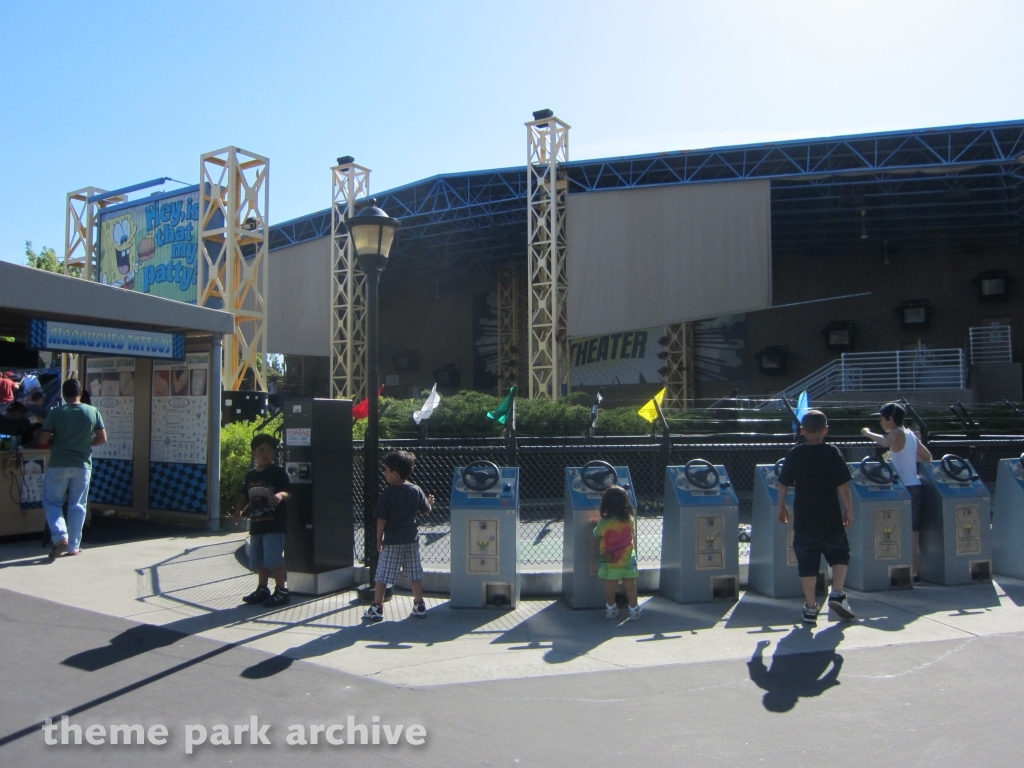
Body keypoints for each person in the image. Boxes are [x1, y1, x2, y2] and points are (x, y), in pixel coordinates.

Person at [776, 409, 856, 623]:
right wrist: (849, 510)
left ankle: (811, 608)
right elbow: (843, 486)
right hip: (830, 515)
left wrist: (781, 507)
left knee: (807, 562)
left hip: (804, 517)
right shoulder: (832, 453)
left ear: (802, 431)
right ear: (826, 430)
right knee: (840, 553)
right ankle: (837, 592)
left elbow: (783, 482)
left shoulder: (795, 454)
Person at [861, 402, 932, 582]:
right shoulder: (910, 434)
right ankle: (914, 570)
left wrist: (867, 433)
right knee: (912, 530)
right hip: (915, 484)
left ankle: (904, 567)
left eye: (881, 419)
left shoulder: (896, 433)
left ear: (890, 419)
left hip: (902, 487)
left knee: (898, 528)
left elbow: (885, 441)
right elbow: (927, 457)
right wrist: (904, 456)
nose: (880, 423)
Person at [37, 379, 107, 559]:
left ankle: (60, 537)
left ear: (63, 393)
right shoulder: (92, 411)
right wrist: (86, 442)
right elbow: (102, 438)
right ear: (81, 392)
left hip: (58, 464)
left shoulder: (56, 413)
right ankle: (74, 546)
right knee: (78, 505)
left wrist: (57, 441)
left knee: (52, 502)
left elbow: (43, 440)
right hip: (82, 464)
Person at [363, 450, 434, 622]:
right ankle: (419, 604)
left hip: (393, 540)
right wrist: (430, 504)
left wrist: (379, 539)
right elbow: (426, 510)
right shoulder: (415, 490)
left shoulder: (388, 494)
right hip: (411, 539)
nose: (384, 473)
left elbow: (381, 518)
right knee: (414, 572)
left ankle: (377, 607)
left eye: (386, 470)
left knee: (382, 575)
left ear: (394, 474)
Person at [231, 434, 291, 607]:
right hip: (257, 524)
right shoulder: (251, 475)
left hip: (274, 524)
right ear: (254, 454)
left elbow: (288, 492)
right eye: (261, 450)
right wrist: (239, 510)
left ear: (274, 454)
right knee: (259, 560)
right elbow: (245, 495)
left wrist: (279, 495)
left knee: (274, 559)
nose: (265, 454)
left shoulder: (278, 473)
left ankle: (281, 590)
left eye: (270, 451)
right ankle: (262, 588)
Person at [594, 484, 642, 620]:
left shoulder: (604, 522)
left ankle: (611, 609)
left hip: (609, 558)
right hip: (627, 558)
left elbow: (596, 534)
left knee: (610, 584)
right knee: (630, 585)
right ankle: (634, 611)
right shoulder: (630, 520)